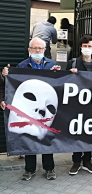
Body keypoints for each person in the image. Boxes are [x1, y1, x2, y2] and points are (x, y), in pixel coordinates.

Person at [1, 37, 61, 181]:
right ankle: (29, 169)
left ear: (45, 50)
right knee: (28, 139)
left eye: (40, 48)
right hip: (28, 110)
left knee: (46, 139)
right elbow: (11, 86)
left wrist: (58, 74)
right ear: (29, 50)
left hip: (45, 108)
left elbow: (61, 85)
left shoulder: (53, 65)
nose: (37, 51)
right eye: (34, 48)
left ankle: (49, 168)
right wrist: (4, 77)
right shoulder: (21, 66)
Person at [66, 35, 92, 175]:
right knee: (77, 131)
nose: (87, 48)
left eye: (90, 46)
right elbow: (64, 81)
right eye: (85, 46)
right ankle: (76, 161)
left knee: (89, 132)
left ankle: (87, 160)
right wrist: (70, 74)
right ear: (80, 47)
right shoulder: (73, 63)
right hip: (77, 103)